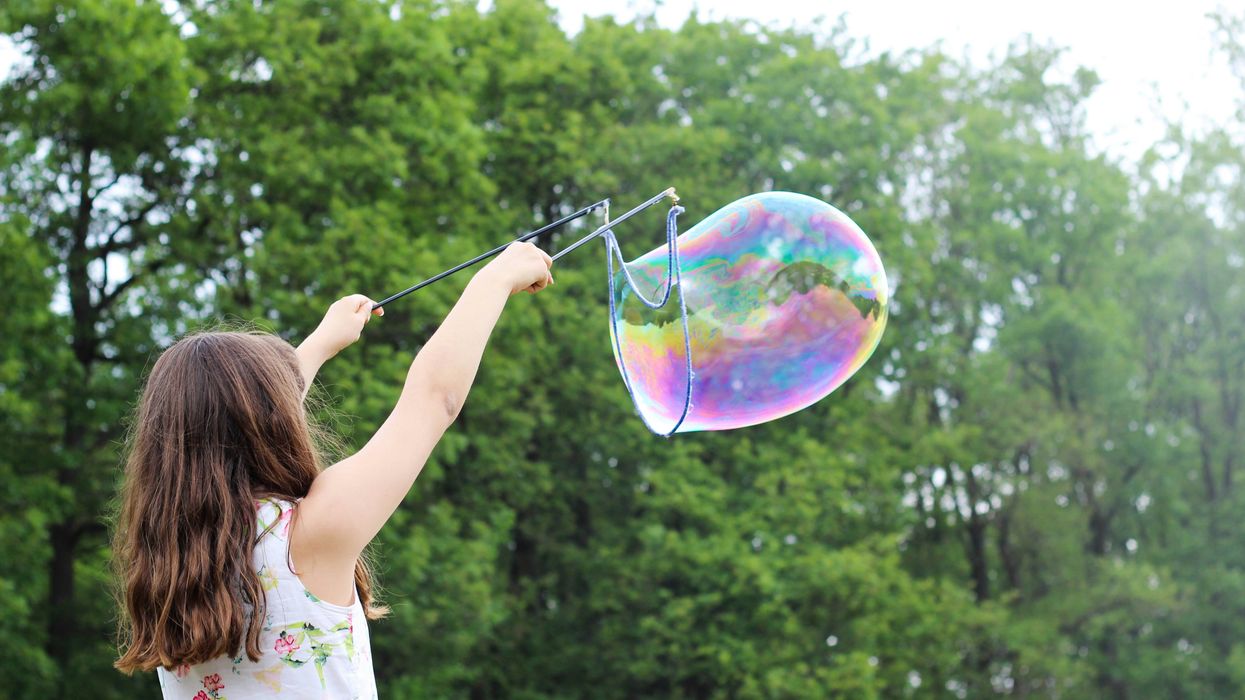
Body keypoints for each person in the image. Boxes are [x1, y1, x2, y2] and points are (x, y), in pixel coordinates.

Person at [112, 242, 555, 698]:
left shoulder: (169, 567)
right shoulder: (305, 537)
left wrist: (321, 343)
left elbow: (240, 421)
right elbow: (433, 398)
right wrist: (494, 279)